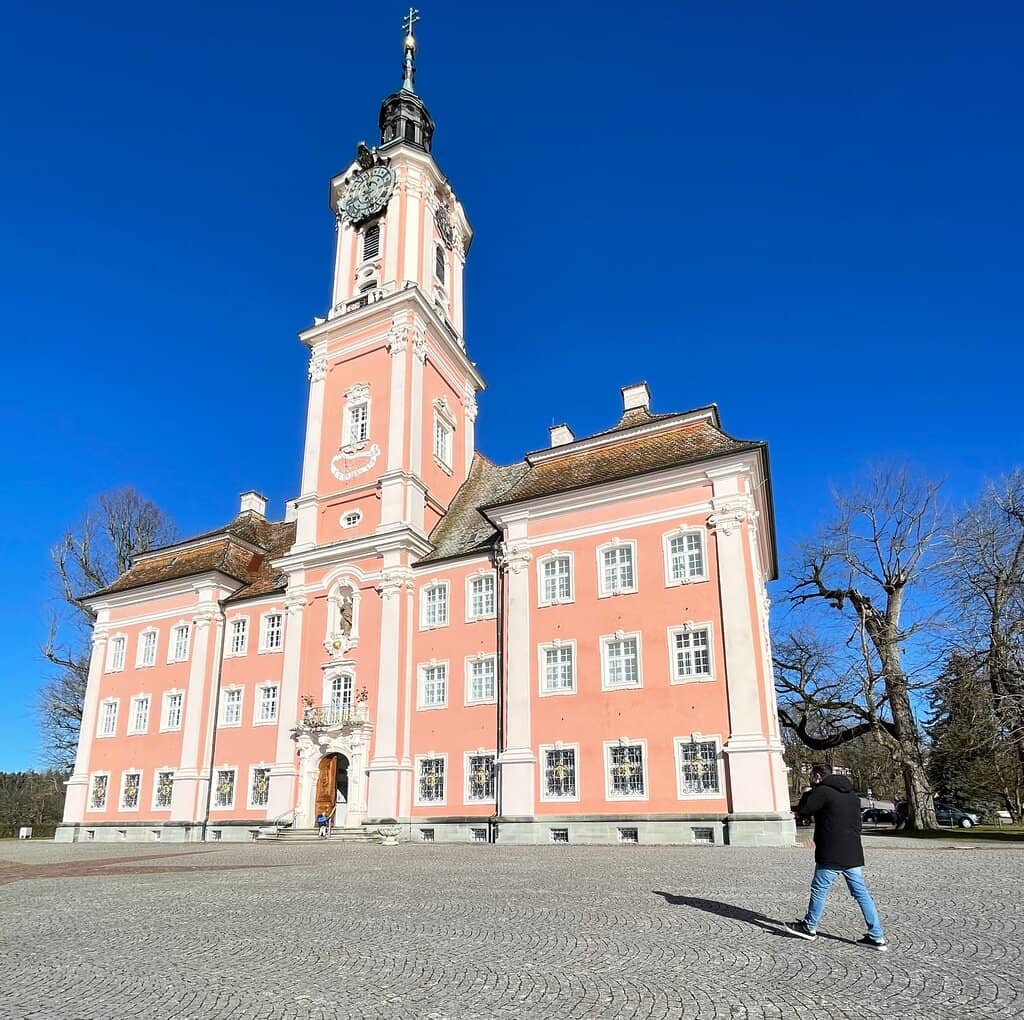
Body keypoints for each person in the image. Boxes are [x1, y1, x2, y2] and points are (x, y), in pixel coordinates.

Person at [785, 764, 888, 951]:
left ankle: (809, 927)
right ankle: (877, 936)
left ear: (817, 776)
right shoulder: (852, 796)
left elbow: (805, 809)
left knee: (819, 888)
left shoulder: (823, 791)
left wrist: (810, 791)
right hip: (852, 852)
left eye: (811, 776)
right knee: (862, 894)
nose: (809, 779)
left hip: (831, 851)